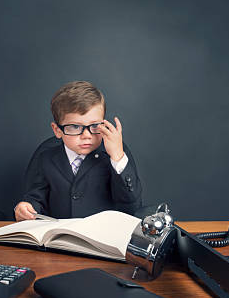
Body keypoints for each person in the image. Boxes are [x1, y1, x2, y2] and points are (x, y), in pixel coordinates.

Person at [14, 80, 142, 221]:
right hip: (59, 237)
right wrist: (26, 207)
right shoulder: (46, 157)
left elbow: (131, 205)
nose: (87, 135)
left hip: (103, 236)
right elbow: (36, 199)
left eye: (94, 125)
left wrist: (117, 157)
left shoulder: (115, 153)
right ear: (57, 130)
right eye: (75, 127)